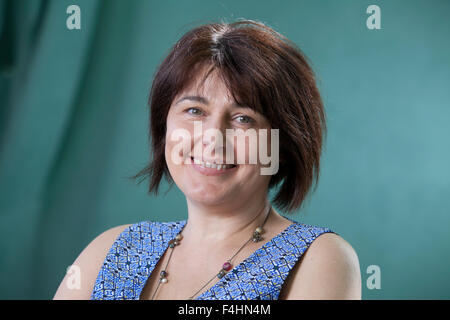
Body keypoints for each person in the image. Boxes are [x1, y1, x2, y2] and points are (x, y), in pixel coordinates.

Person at [53, 19, 361, 300]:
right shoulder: (111, 250)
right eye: (194, 111)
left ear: (281, 145)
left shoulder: (319, 259)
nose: (213, 137)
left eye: (243, 118)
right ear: (165, 127)